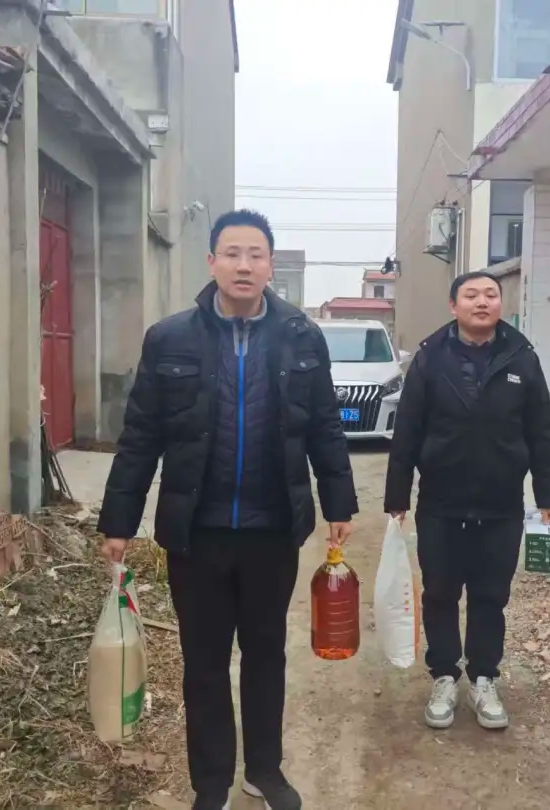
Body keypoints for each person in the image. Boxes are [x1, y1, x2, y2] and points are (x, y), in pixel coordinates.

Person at [96, 209, 357, 810]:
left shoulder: (301, 337)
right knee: (205, 664)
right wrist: (119, 521)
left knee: (266, 655)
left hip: (273, 530)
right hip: (198, 533)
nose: (244, 265)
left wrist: (338, 502)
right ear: (212, 261)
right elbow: (141, 436)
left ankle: (264, 770)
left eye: (256, 254)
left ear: (270, 265)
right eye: (232, 253)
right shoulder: (170, 338)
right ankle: (211, 784)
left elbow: (323, 425)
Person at [383, 270, 550, 731]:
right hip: (441, 503)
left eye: (490, 294)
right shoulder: (430, 358)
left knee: (490, 595)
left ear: (501, 303)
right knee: (440, 592)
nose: (482, 302)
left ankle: (484, 678)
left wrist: (548, 495)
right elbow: (407, 431)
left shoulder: (522, 358)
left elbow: (540, 431)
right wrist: (397, 495)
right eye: (471, 295)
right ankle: (444, 676)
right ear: (453, 306)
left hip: (501, 504)